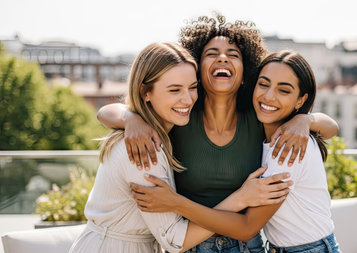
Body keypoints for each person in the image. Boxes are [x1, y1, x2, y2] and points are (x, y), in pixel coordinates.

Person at [98, 15, 339, 253]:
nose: (222, 58)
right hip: (190, 245)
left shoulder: (260, 118)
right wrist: (131, 118)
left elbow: (331, 128)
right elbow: (105, 113)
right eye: (211, 54)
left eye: (233, 55)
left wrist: (304, 120)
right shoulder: (180, 116)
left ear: (246, 71)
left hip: (247, 246)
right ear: (196, 68)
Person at [69, 42, 291, 253]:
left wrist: (305, 121)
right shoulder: (144, 148)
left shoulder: (162, 133)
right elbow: (175, 240)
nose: (187, 99)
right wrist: (240, 198)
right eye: (175, 90)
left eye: (192, 87)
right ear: (145, 92)